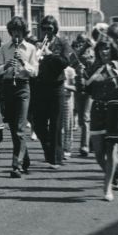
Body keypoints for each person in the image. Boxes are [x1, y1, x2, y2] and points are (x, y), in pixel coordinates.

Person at [85, 34, 118, 201]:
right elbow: (87, 89)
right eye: (100, 49)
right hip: (97, 110)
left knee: (111, 149)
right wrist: (85, 78)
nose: (103, 52)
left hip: (114, 111)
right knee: (99, 154)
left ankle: (107, 188)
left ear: (112, 50)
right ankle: (113, 172)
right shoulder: (94, 67)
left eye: (106, 48)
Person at [0, 16, 36, 178]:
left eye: (19, 32)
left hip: (23, 87)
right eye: (13, 33)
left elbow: (35, 72)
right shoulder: (5, 48)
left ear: (24, 33)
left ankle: (16, 165)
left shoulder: (30, 49)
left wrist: (23, 63)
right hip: (7, 87)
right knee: (13, 129)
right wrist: (7, 65)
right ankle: (25, 160)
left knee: (20, 127)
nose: (16, 36)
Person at [32, 15, 71, 168]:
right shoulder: (36, 44)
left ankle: (55, 159)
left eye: (49, 29)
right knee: (38, 123)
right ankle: (52, 151)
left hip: (56, 87)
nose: (46, 32)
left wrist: (50, 54)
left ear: (55, 29)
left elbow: (65, 62)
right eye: (44, 29)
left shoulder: (62, 43)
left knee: (56, 124)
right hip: (40, 86)